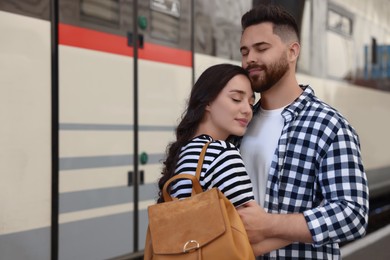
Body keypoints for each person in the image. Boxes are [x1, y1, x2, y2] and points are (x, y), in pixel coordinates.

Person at [237, 4, 369, 259]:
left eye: (261, 48)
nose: (249, 58)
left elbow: (353, 214)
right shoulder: (240, 124)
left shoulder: (329, 126)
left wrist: (267, 224)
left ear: (292, 52)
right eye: (244, 51)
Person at [157, 63, 289, 255]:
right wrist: (302, 228)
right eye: (236, 99)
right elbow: (253, 236)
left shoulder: (184, 150)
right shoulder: (221, 153)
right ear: (207, 102)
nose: (247, 110)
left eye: (251, 103)